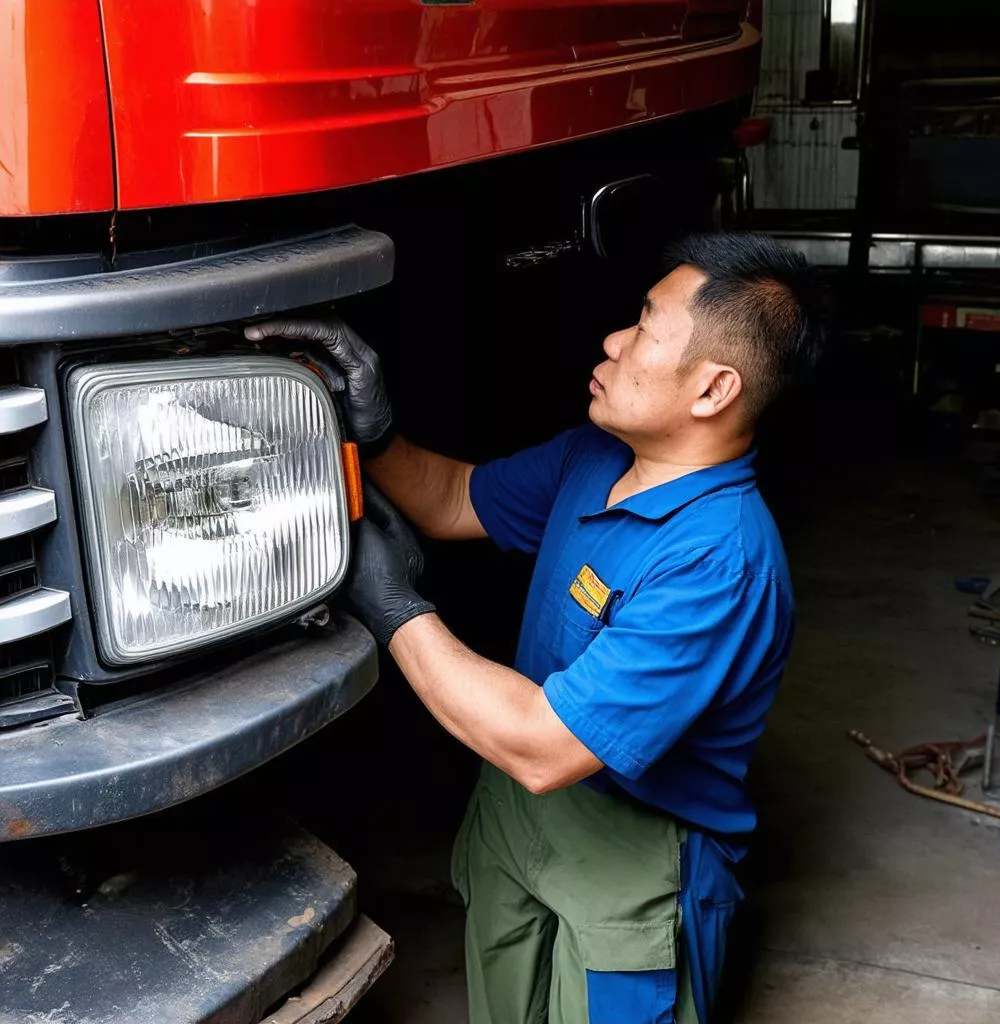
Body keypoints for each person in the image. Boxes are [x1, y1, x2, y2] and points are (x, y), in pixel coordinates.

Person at [245, 232, 823, 1024]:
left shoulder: (718, 562)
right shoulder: (598, 454)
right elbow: (453, 499)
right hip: (514, 806)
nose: (613, 341)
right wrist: (373, 437)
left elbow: (548, 749)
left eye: (644, 329)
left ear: (713, 389)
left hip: (629, 851)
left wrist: (394, 609)